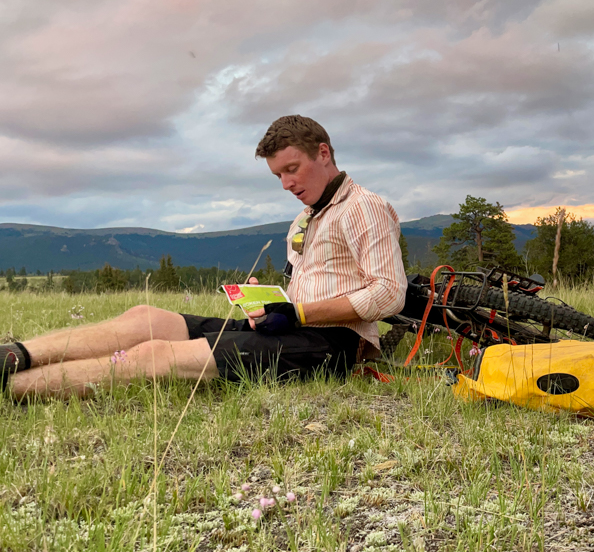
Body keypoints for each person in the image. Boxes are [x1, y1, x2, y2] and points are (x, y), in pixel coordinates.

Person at [1, 115, 407, 399]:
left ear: (323, 153)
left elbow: (389, 294)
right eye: (277, 175)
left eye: (292, 168)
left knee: (154, 355)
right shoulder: (306, 217)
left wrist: (297, 313)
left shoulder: (363, 207)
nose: (285, 183)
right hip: (293, 331)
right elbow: (311, 287)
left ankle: (12, 388)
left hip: (333, 345)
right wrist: (266, 306)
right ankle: (15, 356)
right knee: (147, 318)